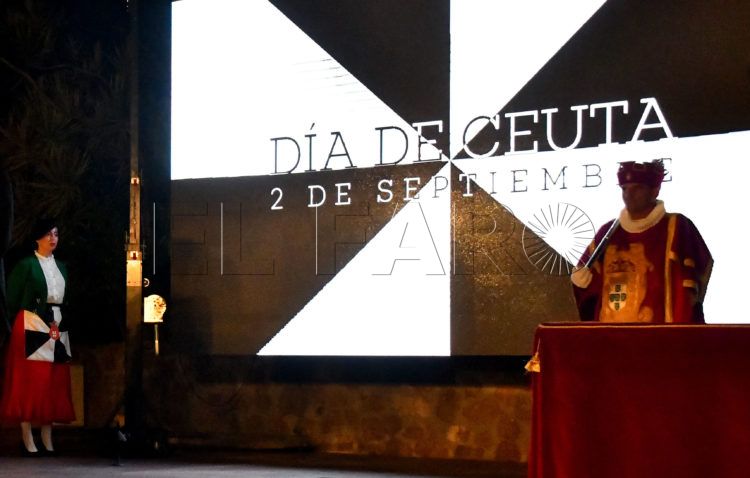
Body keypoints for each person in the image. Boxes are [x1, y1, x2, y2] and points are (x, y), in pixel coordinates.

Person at [571, 159, 712, 323]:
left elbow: (689, 291)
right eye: (624, 189)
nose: (628, 195)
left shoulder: (676, 226)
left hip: (659, 334)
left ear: (655, 191)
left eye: (637, 188)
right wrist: (580, 280)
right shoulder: (607, 232)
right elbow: (586, 292)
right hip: (610, 334)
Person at [0, 219, 75, 456]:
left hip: (57, 326)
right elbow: (12, 298)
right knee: (31, 381)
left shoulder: (62, 267)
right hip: (31, 323)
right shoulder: (26, 265)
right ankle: (26, 435)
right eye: (48, 234)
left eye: (56, 234)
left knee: (53, 381)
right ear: (37, 238)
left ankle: (46, 435)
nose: (53, 238)